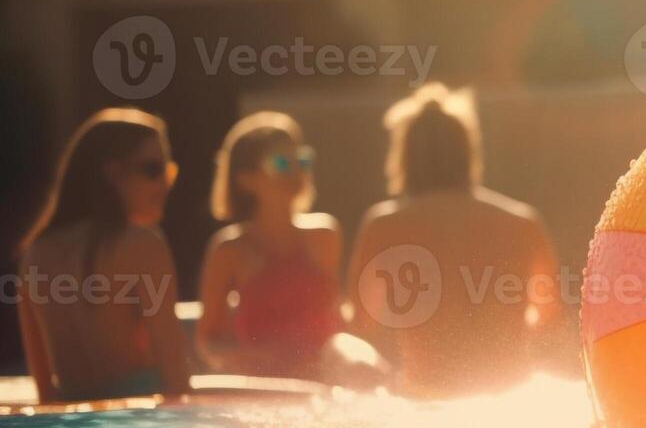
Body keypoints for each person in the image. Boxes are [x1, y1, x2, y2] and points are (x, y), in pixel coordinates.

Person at [348, 84, 566, 397]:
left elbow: (361, 328)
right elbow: (551, 317)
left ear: (403, 155)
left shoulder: (384, 226)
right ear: (468, 150)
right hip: (510, 394)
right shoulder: (522, 222)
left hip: (427, 394)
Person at [16, 109, 191, 402]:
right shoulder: (141, 245)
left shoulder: (35, 253)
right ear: (113, 173)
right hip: (139, 421)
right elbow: (176, 374)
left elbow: (45, 393)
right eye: (152, 170)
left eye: (168, 170)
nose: (165, 183)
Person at [196, 112, 379, 383]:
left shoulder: (325, 234)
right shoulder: (229, 250)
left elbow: (340, 317)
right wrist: (246, 358)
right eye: (281, 163)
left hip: (327, 380)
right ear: (246, 179)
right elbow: (208, 341)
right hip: (264, 385)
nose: (297, 171)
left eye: (301, 160)